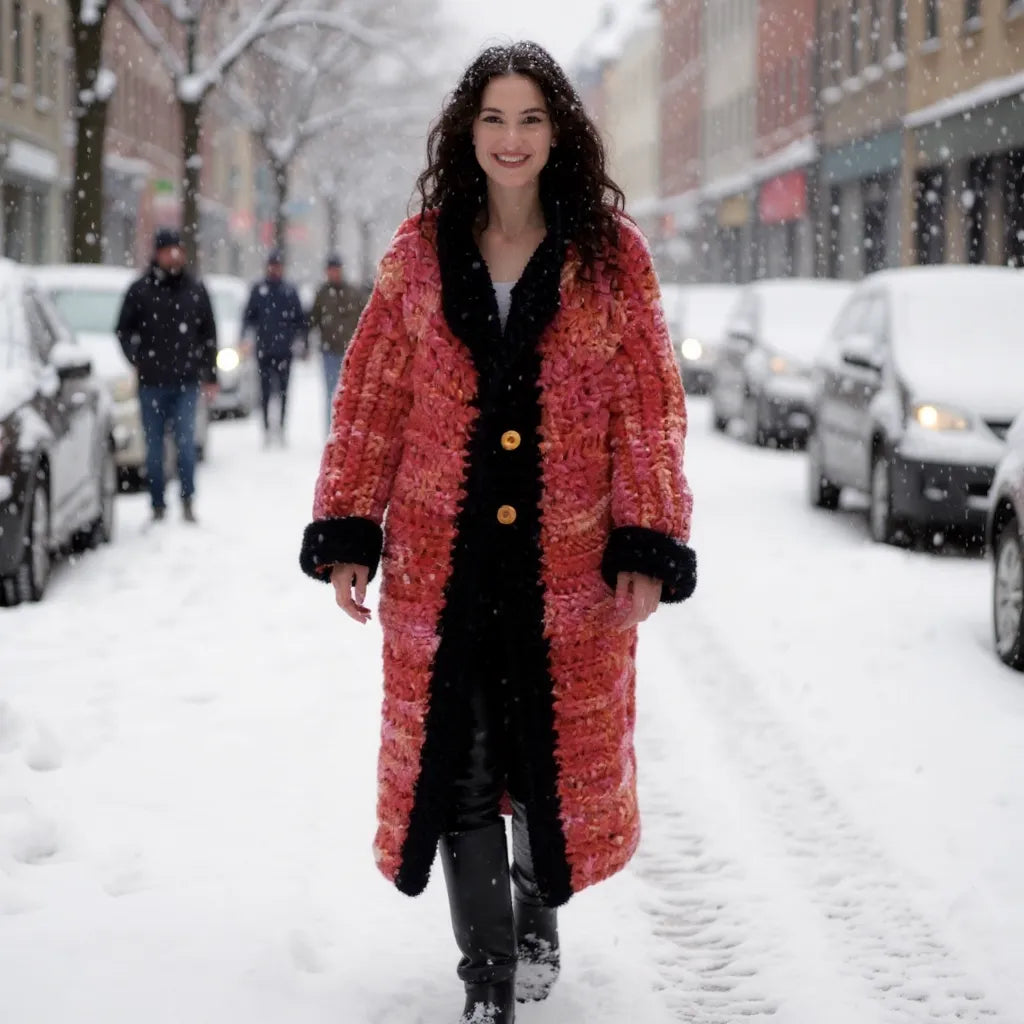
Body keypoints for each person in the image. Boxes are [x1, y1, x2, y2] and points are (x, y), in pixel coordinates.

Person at [299, 42, 696, 1024]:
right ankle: (488, 981)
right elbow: (372, 399)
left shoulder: (609, 256)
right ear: (464, 133)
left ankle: (532, 927)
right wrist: (351, 527)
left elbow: (648, 405)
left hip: (568, 575)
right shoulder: (418, 252)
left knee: (543, 770)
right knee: (462, 767)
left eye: (528, 119)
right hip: (445, 570)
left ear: (556, 131)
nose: (510, 139)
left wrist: (646, 539)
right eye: (493, 120)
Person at [116, 227, 218, 523]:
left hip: (186, 382)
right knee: (154, 448)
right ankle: (157, 503)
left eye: (178, 249)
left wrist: (210, 376)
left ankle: (187, 500)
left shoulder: (195, 289)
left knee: (186, 445)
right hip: (151, 383)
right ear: (158, 254)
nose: (174, 255)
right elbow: (123, 330)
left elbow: (208, 334)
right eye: (168, 250)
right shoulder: (140, 290)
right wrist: (137, 358)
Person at [243, 247, 307, 445]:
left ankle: (281, 427)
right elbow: (248, 317)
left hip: (284, 351)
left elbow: (300, 320)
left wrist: (301, 341)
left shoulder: (289, 290)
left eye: (278, 266)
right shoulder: (259, 290)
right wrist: (245, 337)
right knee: (264, 392)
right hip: (264, 350)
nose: (275, 269)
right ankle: (266, 429)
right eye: (272, 265)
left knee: (284, 392)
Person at [307, 253, 370, 432]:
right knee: (330, 393)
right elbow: (313, 319)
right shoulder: (322, 294)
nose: (333, 273)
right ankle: (331, 431)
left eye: (336, 269)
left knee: (350, 394)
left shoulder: (353, 292)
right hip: (329, 351)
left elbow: (364, 318)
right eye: (331, 270)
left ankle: (346, 430)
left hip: (349, 352)